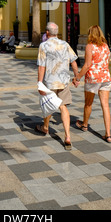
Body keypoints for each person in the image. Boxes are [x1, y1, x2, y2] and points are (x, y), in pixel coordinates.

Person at [36, 22, 79, 150]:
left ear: (47, 32)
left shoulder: (43, 46)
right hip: (63, 82)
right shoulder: (65, 44)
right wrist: (76, 77)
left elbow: (41, 66)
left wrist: (39, 83)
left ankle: (45, 127)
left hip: (50, 81)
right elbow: (73, 61)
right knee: (63, 107)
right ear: (57, 32)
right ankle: (67, 136)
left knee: (48, 104)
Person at [72, 25, 111, 143]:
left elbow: (87, 64)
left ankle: (84, 125)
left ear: (91, 34)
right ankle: (108, 134)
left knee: (88, 104)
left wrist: (78, 77)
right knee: (105, 105)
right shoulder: (105, 46)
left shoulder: (90, 46)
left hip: (93, 79)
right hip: (105, 78)